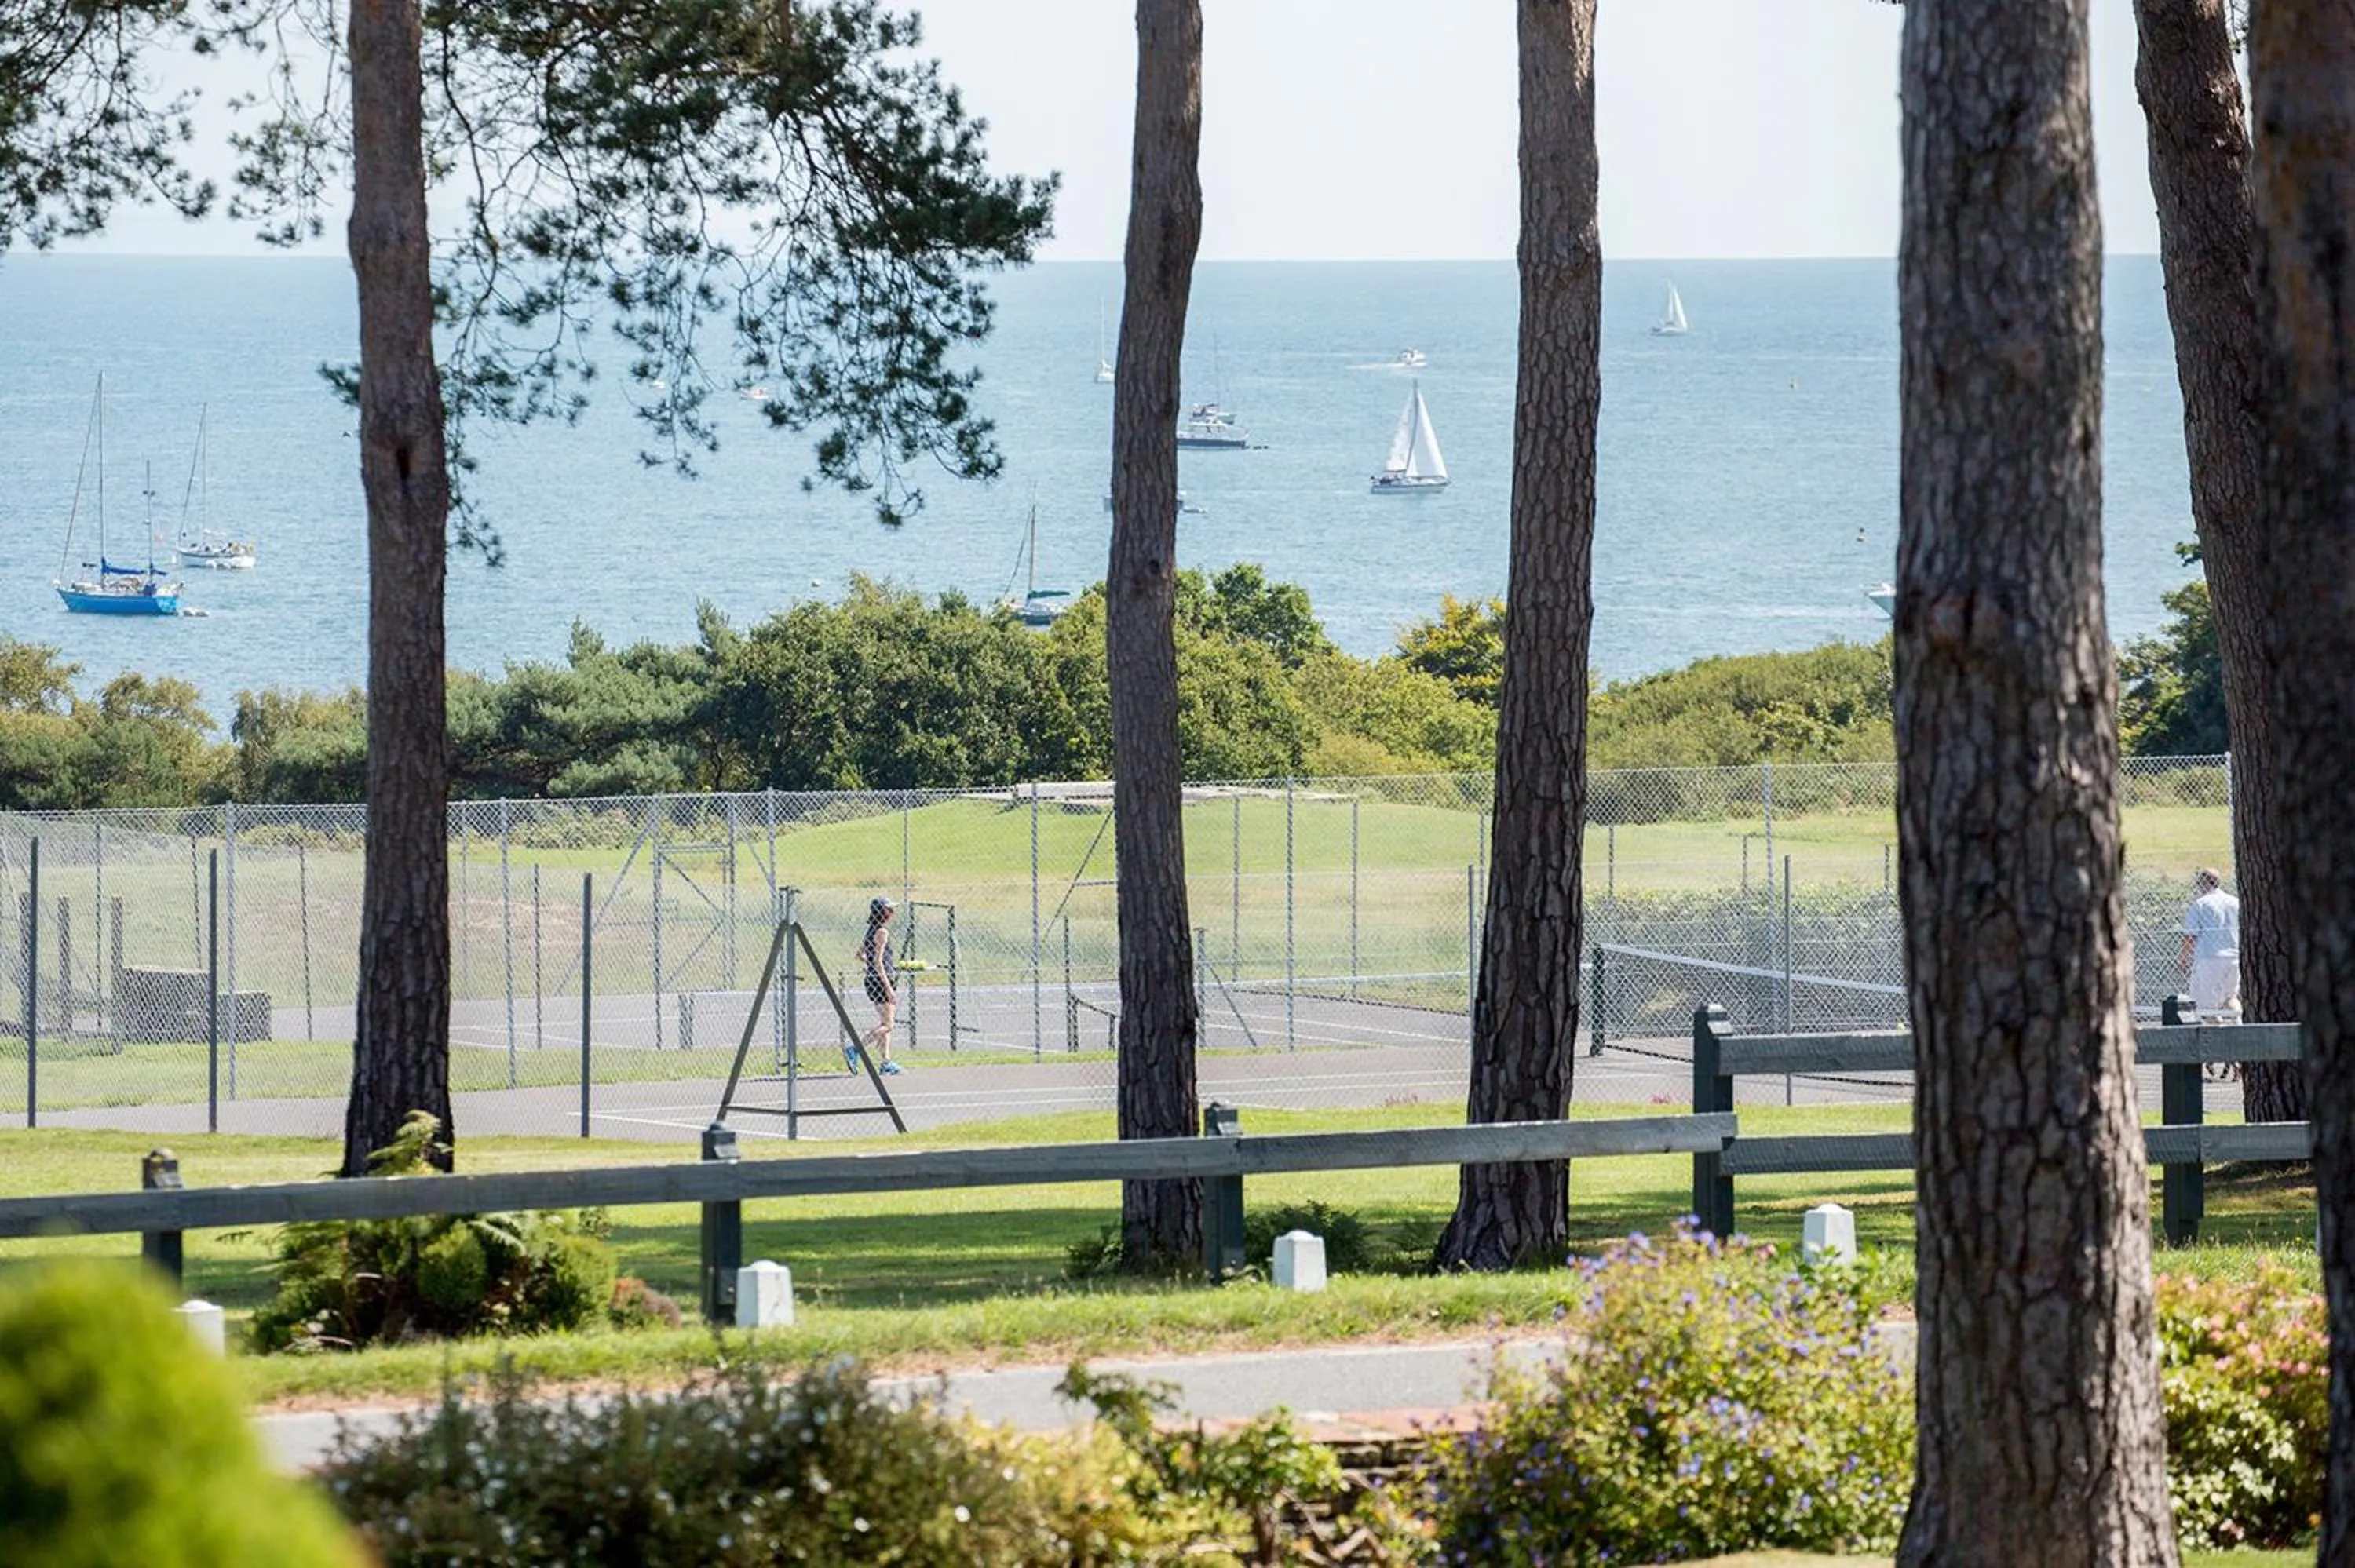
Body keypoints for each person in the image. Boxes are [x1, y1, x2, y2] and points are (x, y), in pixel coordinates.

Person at [2179, 867, 2242, 1024]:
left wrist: (2183, 957)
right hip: (2234, 957)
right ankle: (2239, 1024)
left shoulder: (2200, 904)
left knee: (2207, 1008)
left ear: (2201, 884)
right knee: (2230, 997)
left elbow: (2190, 935)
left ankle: (2218, 1032)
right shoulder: (2235, 902)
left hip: (2210, 958)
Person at [854, 896, 905, 1074]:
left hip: (873, 979)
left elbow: (860, 954)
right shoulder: (882, 932)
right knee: (889, 1025)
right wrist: (888, 987)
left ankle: (886, 1062)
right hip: (881, 981)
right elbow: (878, 961)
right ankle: (856, 1048)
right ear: (884, 913)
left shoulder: (871, 930)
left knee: (885, 1023)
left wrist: (870, 966)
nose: (893, 913)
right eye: (890, 910)